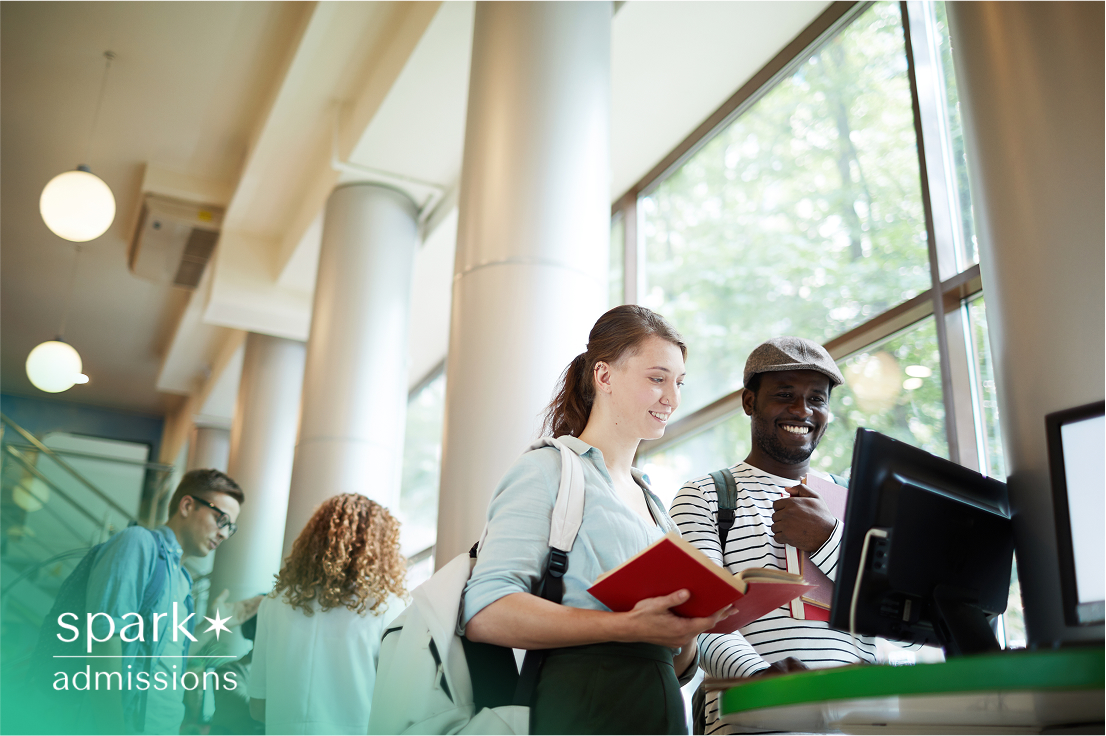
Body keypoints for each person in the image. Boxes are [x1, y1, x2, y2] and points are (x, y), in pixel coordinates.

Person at [462, 305, 735, 735]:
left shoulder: (655, 505)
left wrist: (686, 630)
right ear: (604, 377)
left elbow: (681, 664)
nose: (673, 398)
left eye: (679, 382)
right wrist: (625, 626)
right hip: (581, 709)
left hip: (660, 711)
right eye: (657, 378)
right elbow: (485, 612)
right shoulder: (550, 470)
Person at [669, 337, 873, 735]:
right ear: (750, 403)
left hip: (858, 719)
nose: (803, 410)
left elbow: (899, 618)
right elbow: (698, 620)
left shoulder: (857, 502)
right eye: (785, 395)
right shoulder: (705, 496)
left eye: (817, 398)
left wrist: (829, 539)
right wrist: (764, 680)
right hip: (754, 718)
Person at [84, 469, 246, 735]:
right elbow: (102, 640)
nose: (224, 534)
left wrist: (217, 623)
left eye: (231, 527)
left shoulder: (181, 578)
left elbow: (168, 658)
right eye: (222, 520)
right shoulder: (138, 543)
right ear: (187, 505)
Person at [249, 494, 407, 735]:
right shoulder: (387, 606)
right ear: (378, 546)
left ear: (313, 538)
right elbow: (399, 706)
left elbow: (258, 707)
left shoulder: (274, 603)